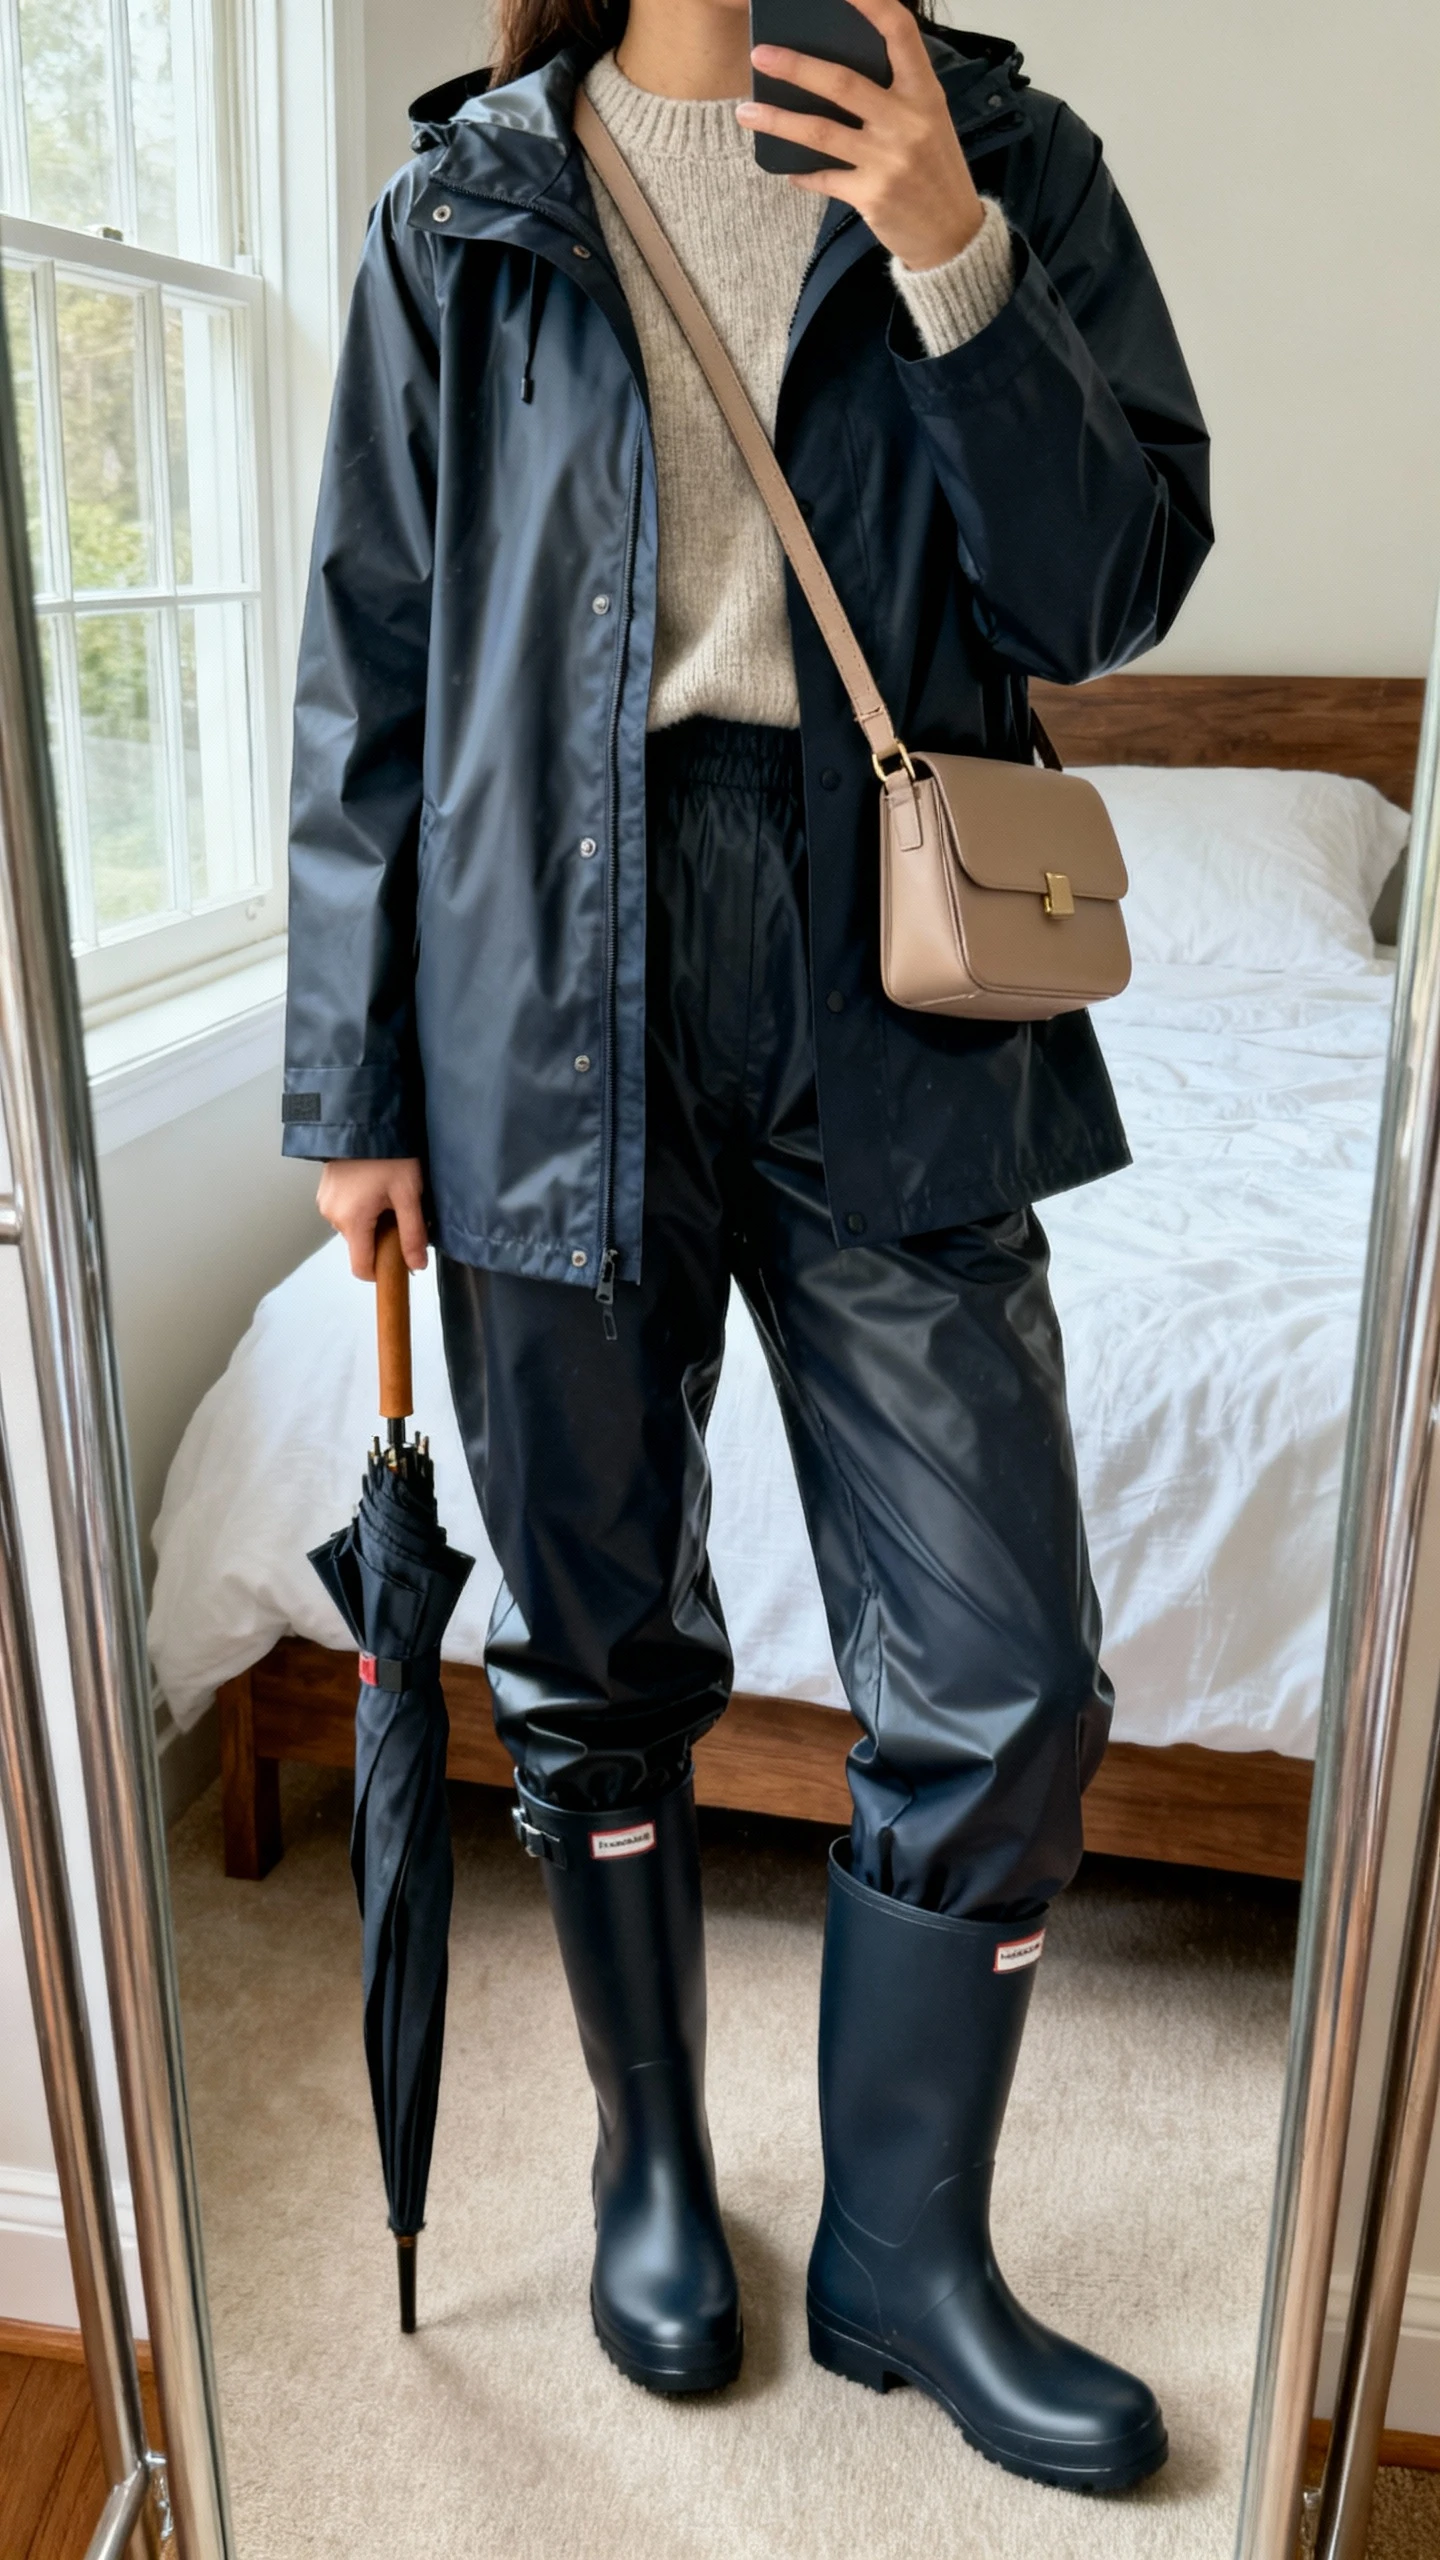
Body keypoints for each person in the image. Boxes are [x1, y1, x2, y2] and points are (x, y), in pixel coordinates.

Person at [282, 0, 1211, 2492]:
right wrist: (350, 1085)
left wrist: (954, 259)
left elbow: (1103, 589)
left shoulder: (996, 148)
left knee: (1006, 1670)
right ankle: (652, 2164)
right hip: (534, 981)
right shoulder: (465, 203)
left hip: (891, 962)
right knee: (591, 1641)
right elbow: (373, 655)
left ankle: (909, 2248)